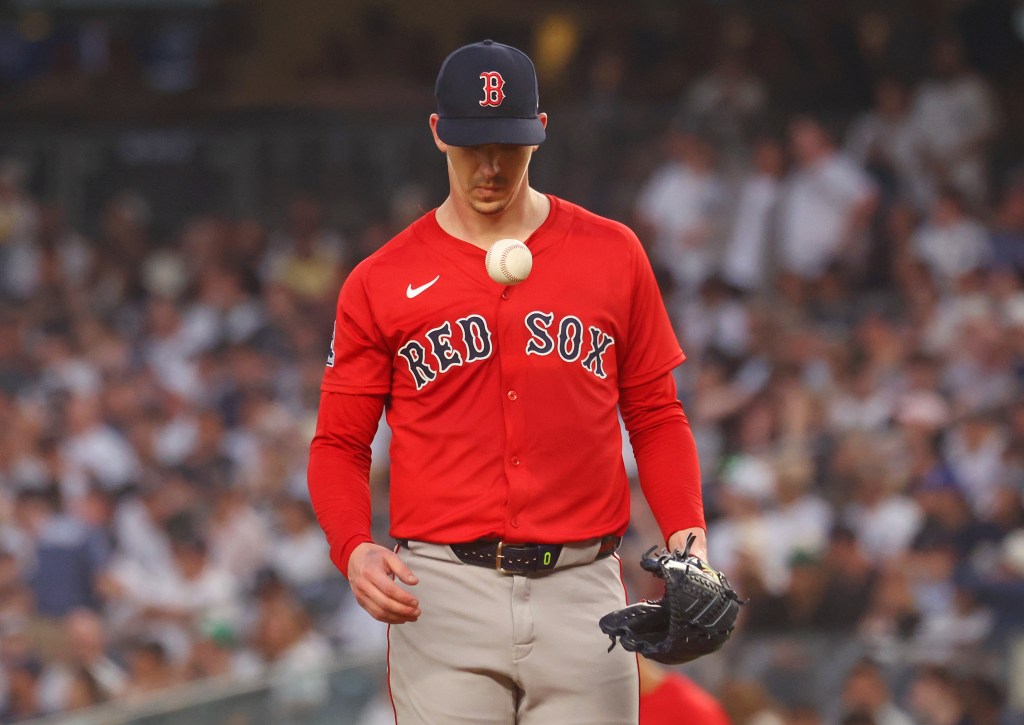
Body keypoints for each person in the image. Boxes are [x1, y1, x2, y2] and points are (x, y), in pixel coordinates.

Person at [308, 39, 707, 724]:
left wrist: (690, 540)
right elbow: (338, 444)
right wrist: (352, 546)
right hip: (441, 590)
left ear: (540, 133)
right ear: (437, 134)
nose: (490, 166)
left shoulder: (612, 253)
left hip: (584, 589)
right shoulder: (379, 280)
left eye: (508, 145)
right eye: (471, 145)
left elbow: (656, 414)